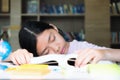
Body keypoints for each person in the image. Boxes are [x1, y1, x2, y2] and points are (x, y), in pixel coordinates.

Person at [7, 21, 120, 67]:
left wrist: (104, 53)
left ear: (54, 28)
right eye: (46, 51)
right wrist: (12, 56)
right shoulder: (37, 60)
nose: (56, 48)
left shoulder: (80, 47)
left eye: (52, 39)